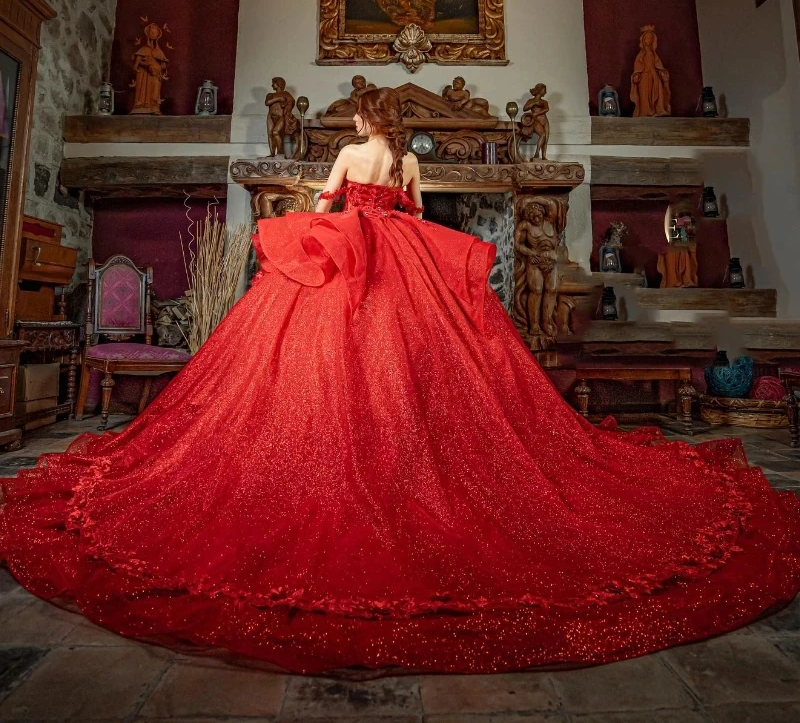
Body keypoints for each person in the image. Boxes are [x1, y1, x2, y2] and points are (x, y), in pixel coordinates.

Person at [1, 87, 799, 675]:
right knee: (424, 356)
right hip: (403, 252)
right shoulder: (410, 158)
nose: (352, 125)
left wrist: (330, 214)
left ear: (363, 122)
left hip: (351, 248)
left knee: (326, 352)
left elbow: (324, 200)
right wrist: (394, 228)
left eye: (355, 116)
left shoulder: (349, 153)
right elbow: (418, 215)